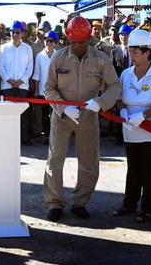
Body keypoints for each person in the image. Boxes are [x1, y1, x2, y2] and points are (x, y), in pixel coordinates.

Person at [43, 16, 122, 222]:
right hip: (62, 117)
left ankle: (80, 202)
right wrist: (63, 107)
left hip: (88, 116)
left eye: (81, 42)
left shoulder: (100, 58)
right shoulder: (59, 57)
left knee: (89, 161)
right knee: (55, 160)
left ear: (88, 39)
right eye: (74, 41)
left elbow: (115, 85)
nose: (77, 45)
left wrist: (101, 102)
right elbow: (48, 88)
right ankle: (54, 203)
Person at [112, 29, 151, 222]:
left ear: (147, 52)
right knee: (134, 169)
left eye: (135, 51)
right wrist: (123, 111)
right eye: (130, 51)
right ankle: (129, 204)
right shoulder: (126, 74)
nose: (132, 55)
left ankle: (148, 209)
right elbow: (118, 97)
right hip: (131, 129)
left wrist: (143, 115)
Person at [0, 20, 35, 143]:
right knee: (7, 113)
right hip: (7, 86)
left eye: (17, 32)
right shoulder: (4, 48)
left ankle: (24, 138)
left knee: (23, 113)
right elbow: (1, 67)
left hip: (22, 86)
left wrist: (21, 81)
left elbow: (29, 68)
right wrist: (9, 80)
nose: (15, 34)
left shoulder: (28, 49)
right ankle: (8, 138)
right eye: (13, 32)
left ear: (22, 33)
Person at [31, 30, 59, 138]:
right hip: (43, 90)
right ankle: (47, 136)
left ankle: (55, 136)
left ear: (55, 42)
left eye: (51, 41)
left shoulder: (58, 56)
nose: (49, 43)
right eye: (47, 40)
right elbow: (36, 74)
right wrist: (36, 90)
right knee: (44, 114)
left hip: (56, 90)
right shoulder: (39, 56)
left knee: (55, 114)